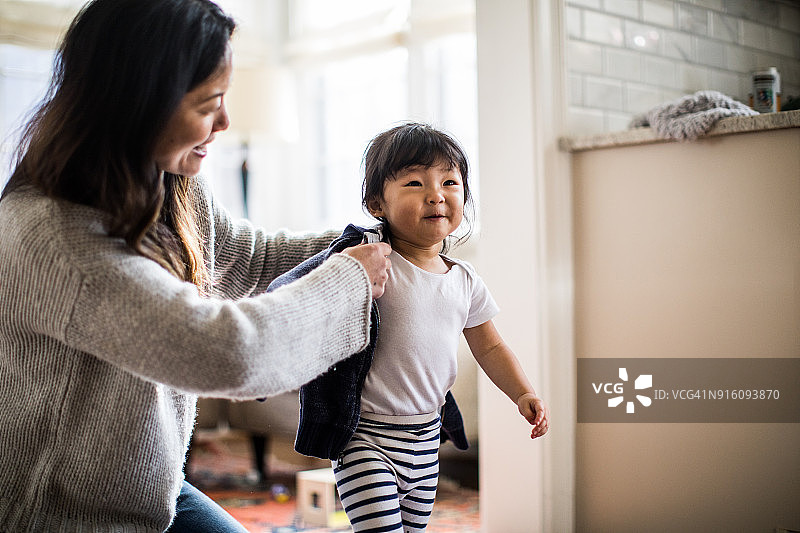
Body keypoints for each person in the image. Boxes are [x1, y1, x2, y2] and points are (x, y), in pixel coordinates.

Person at [0, 0, 391, 531]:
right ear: (140, 103)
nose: (226, 121)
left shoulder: (168, 185)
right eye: (210, 102)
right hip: (58, 513)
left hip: (145, 489)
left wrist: (377, 238)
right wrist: (350, 281)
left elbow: (250, 257)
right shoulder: (52, 237)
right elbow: (228, 352)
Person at [269, 122, 549, 532]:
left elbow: (490, 347)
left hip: (426, 440)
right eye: (415, 183)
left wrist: (522, 391)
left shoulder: (465, 279)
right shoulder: (367, 261)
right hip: (366, 437)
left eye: (449, 182)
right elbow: (294, 290)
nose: (436, 194)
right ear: (376, 204)